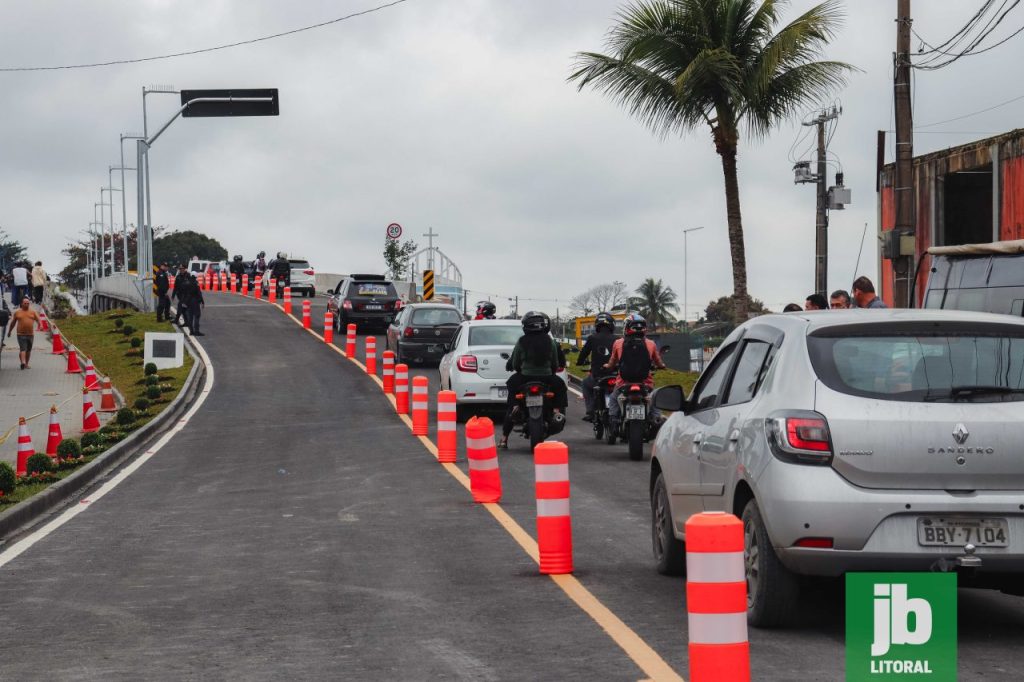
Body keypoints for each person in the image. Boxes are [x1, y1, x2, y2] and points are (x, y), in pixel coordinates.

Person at [497, 311, 568, 449]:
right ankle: (556, 411)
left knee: (511, 386)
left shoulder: (521, 341)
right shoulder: (550, 341)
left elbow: (516, 362)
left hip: (524, 377)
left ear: (525, 326)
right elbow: (555, 362)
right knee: (560, 386)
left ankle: (505, 437)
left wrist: (518, 369)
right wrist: (551, 371)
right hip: (547, 377)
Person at [603, 313, 666, 431]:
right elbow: (658, 362)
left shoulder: (618, 343)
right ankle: (657, 420)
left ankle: (614, 421)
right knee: (655, 399)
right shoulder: (651, 344)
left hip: (623, 383)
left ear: (626, 327)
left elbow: (612, 362)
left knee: (613, 398)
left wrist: (608, 366)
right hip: (645, 383)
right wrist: (662, 366)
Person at [576, 311, 617, 422]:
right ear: (612, 325)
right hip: (615, 375)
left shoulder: (592, 338)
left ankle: (590, 411)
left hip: (598, 376)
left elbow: (583, 353)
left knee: (585, 383)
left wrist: (579, 362)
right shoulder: (618, 339)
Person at [7, 297, 40, 370]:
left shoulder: (33, 312)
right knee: (23, 349)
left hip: (30, 334)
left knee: (28, 350)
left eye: (28, 303)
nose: (26, 304)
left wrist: (40, 326)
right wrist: (9, 331)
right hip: (20, 334)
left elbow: (38, 320)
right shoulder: (17, 312)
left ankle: (26, 364)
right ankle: (23, 363)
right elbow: (12, 323)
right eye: (25, 303)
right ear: (21, 304)